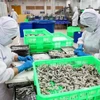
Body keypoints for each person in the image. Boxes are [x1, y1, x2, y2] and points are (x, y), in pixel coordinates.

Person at [0, 16, 33, 100]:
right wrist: (22, 67)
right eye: (12, 38)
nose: (12, 40)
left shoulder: (2, 43)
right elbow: (2, 75)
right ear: (4, 35)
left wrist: (20, 57)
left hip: (4, 84)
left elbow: (7, 54)